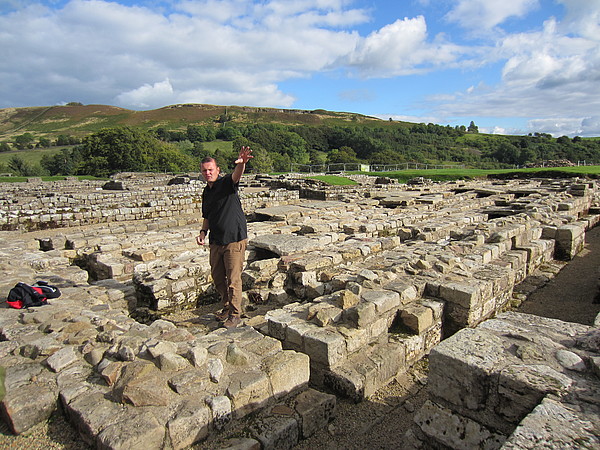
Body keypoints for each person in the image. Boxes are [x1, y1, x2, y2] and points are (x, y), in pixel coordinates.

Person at [196, 146, 253, 328]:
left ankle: (236, 314)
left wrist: (242, 164)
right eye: (205, 170)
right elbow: (207, 216)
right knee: (218, 277)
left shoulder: (226, 183)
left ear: (218, 170)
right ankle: (227, 306)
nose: (208, 173)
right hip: (216, 240)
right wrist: (203, 232)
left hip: (234, 238)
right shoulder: (207, 192)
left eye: (211, 169)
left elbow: (237, 175)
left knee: (233, 279)